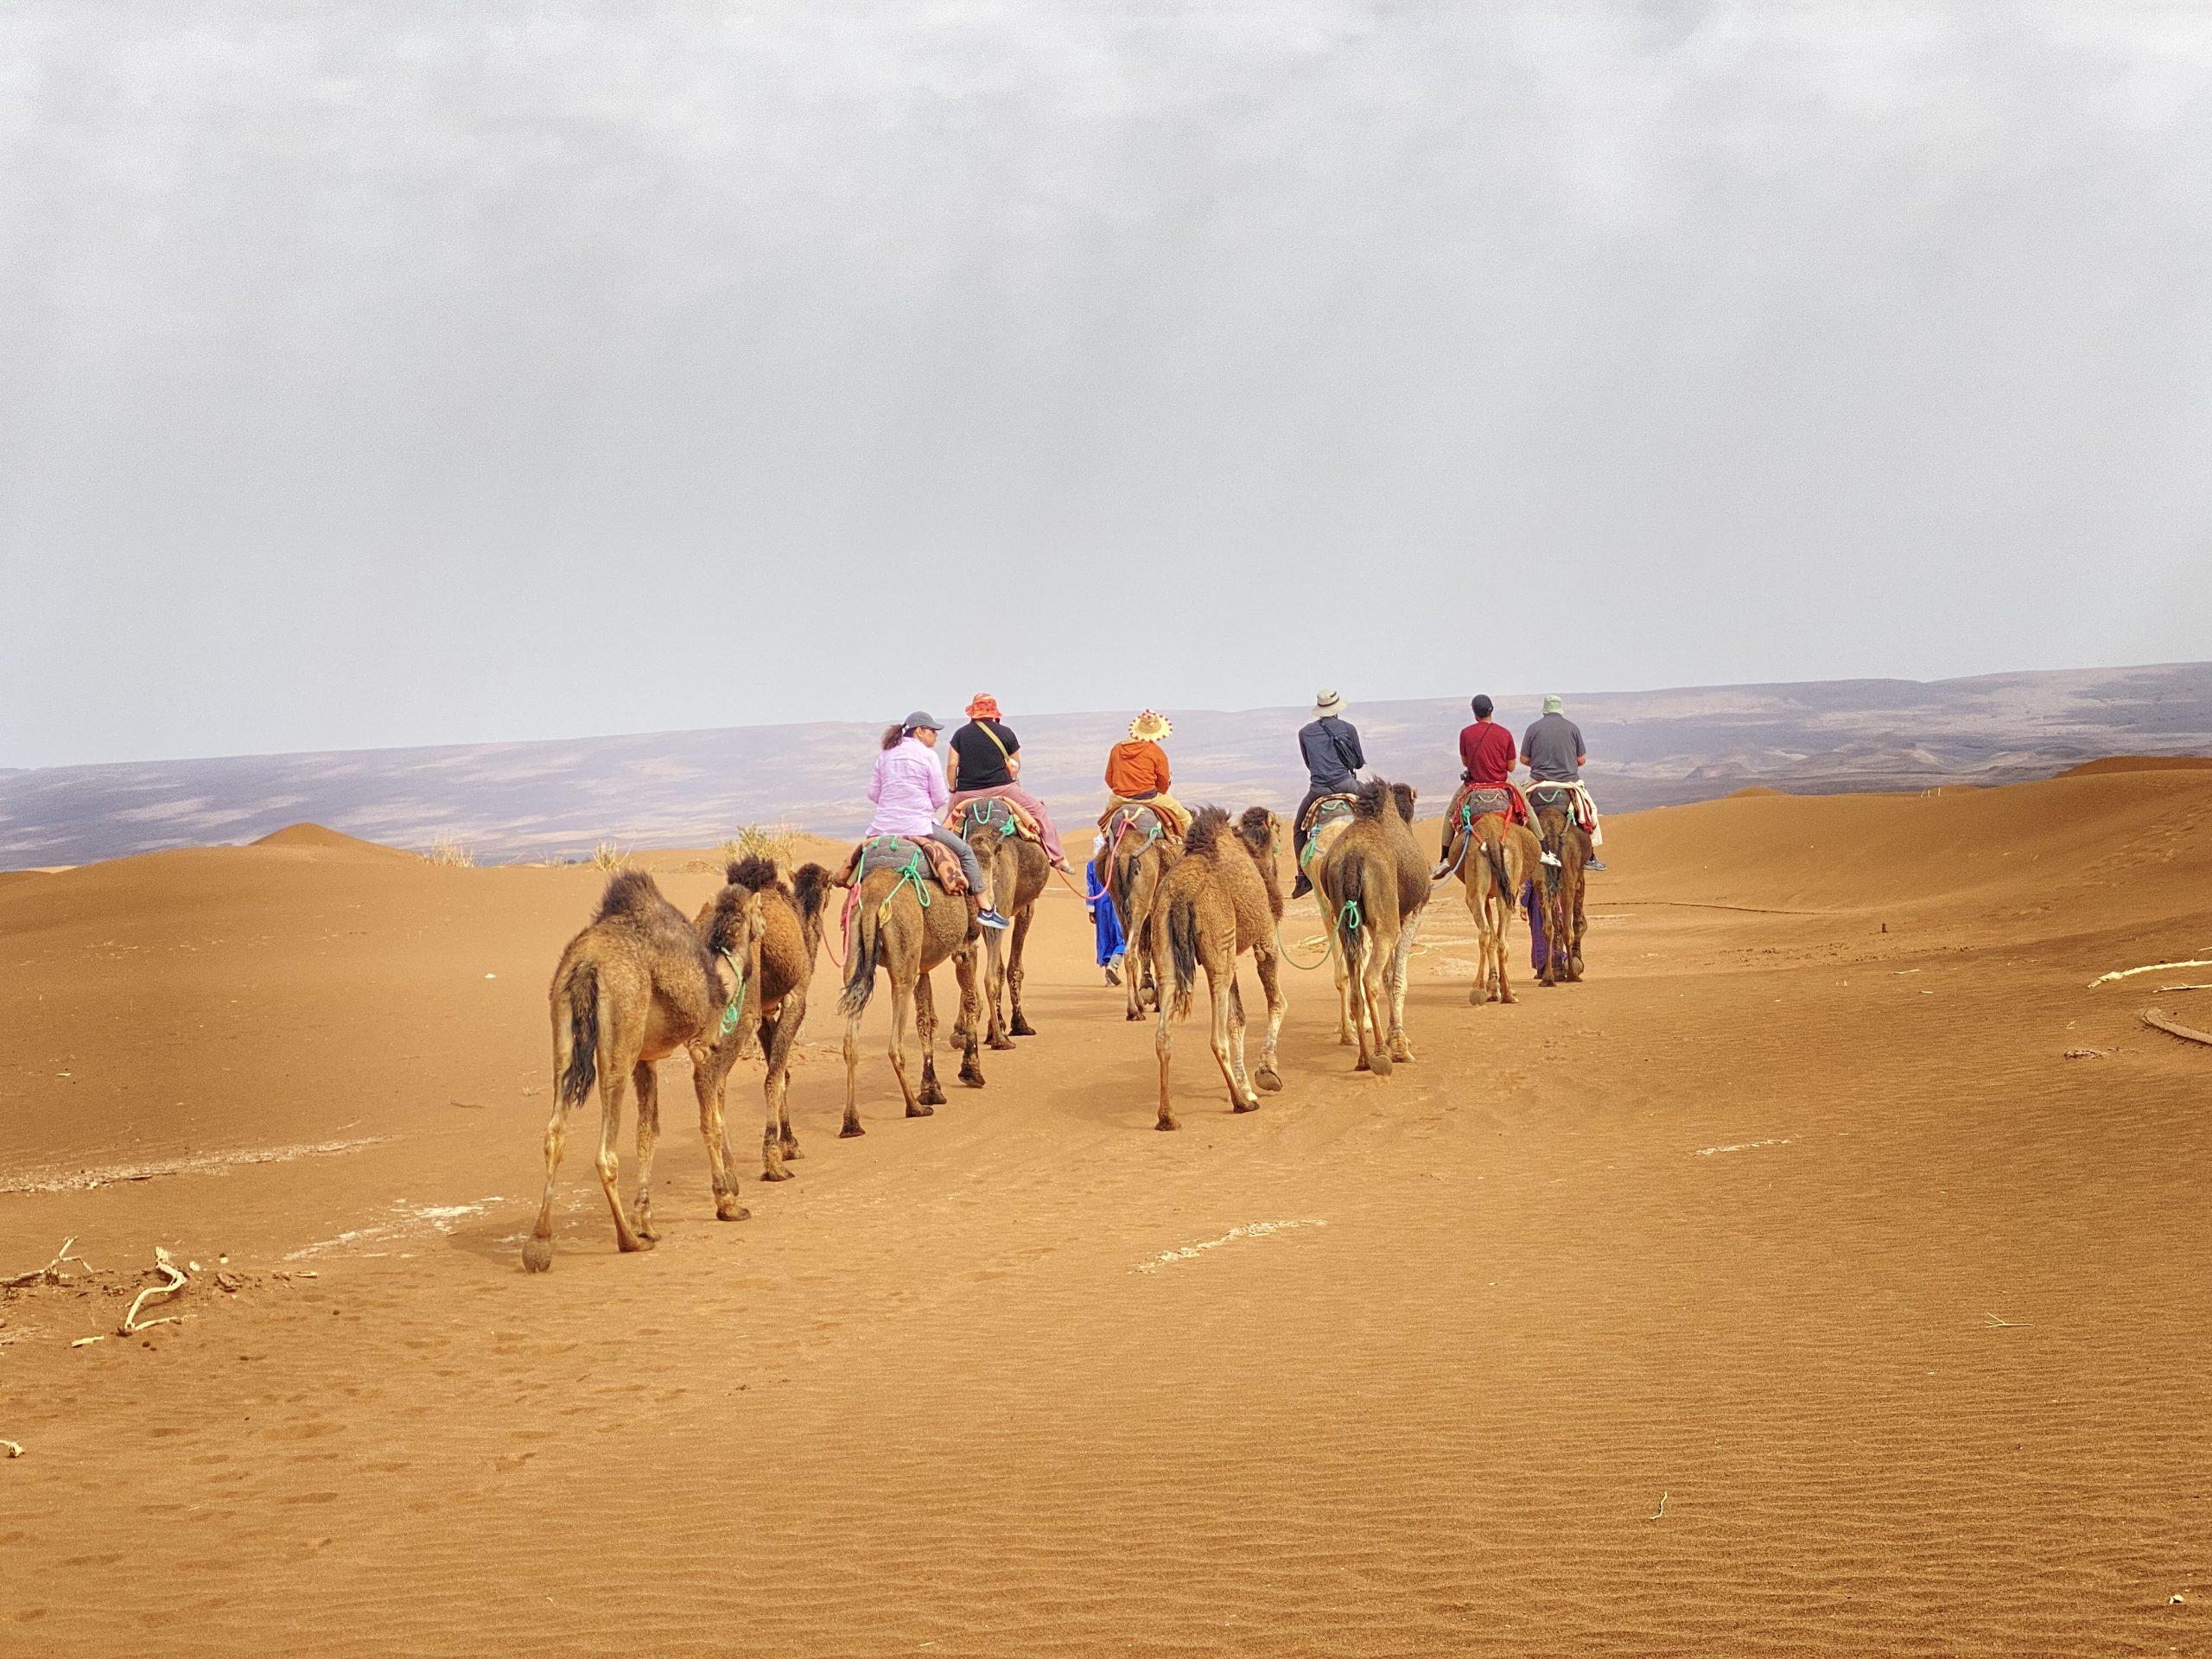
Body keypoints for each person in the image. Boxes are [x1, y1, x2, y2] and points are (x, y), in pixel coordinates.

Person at [866, 712, 1011, 929]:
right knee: (964, 852)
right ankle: (986, 909)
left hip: (881, 828)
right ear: (920, 731)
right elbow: (941, 797)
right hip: (919, 826)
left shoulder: (884, 756)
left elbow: (872, 794)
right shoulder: (927, 756)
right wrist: (922, 807)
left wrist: (891, 807)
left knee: (859, 864)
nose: (935, 736)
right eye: (932, 731)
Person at [944, 693, 1069, 870]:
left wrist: (953, 789)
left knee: (948, 823)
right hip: (1003, 789)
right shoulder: (1006, 733)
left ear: (972, 712)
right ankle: (1058, 858)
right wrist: (1009, 778)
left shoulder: (959, 735)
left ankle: (941, 860)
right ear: (994, 712)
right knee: (1039, 811)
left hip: (967, 792)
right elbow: (1016, 765)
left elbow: (951, 765)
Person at [1433, 693, 1528, 880]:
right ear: (1492, 710)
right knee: (1527, 807)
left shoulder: (1466, 733)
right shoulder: (1505, 733)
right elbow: (1511, 767)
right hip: (1502, 783)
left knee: (1450, 813)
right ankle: (1542, 850)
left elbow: (1466, 762)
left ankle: (1444, 858)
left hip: (1474, 786)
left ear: (1474, 713)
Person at [1291, 688, 1365, 898]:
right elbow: (1358, 763)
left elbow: (1308, 764)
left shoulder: (1304, 733)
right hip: (1347, 784)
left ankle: (1302, 876)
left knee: (1298, 828)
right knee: (1381, 811)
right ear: (1337, 707)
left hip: (1318, 789)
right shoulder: (1348, 728)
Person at [1520, 693, 1605, 872]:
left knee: (1517, 809)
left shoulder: (1533, 728)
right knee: (1589, 811)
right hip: (1568, 782)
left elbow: (1523, 759)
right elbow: (1581, 760)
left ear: (1544, 711)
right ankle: (1590, 856)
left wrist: (1538, 762)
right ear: (1560, 710)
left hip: (1537, 781)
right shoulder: (1572, 728)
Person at [1102, 709, 1191, 836]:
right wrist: (1158, 791)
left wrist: (1124, 789)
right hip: (1149, 798)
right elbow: (1163, 781)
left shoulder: (1116, 749)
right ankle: (1187, 851)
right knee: (1186, 818)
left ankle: (1105, 850)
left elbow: (1109, 779)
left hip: (1120, 799)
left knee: (1105, 825)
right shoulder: (1156, 751)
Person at [1084, 836, 1127, 986]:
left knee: (1105, 938)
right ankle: (1113, 966)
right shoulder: (1117, 863)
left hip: (1100, 906)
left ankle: (1109, 978)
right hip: (1116, 904)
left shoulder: (1091, 865)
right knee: (1122, 938)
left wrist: (1091, 909)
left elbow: (1090, 889)